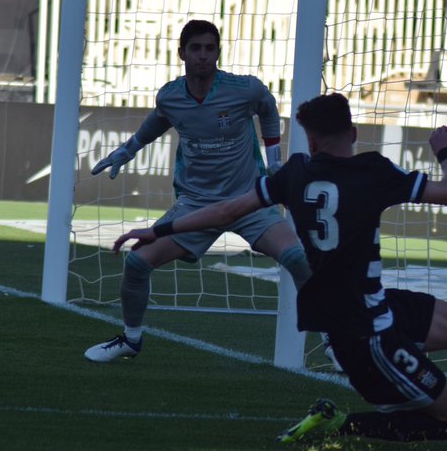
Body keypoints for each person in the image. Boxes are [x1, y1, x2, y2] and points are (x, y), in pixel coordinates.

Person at [113, 93, 447, 442]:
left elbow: (226, 210)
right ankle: (337, 425)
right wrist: (446, 152)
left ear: (312, 140)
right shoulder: (374, 171)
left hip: (363, 317)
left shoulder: (296, 174)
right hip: (368, 335)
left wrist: (158, 229)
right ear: (353, 133)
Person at [84, 19, 311, 362]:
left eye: (210, 48)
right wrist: (129, 149)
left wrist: (275, 160)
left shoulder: (244, 89)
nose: (203, 55)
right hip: (197, 206)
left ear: (218, 53)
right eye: (196, 48)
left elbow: (268, 107)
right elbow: (160, 117)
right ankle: (130, 340)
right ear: (182, 53)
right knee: (137, 263)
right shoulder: (171, 96)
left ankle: (336, 340)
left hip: (249, 201)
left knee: (298, 258)